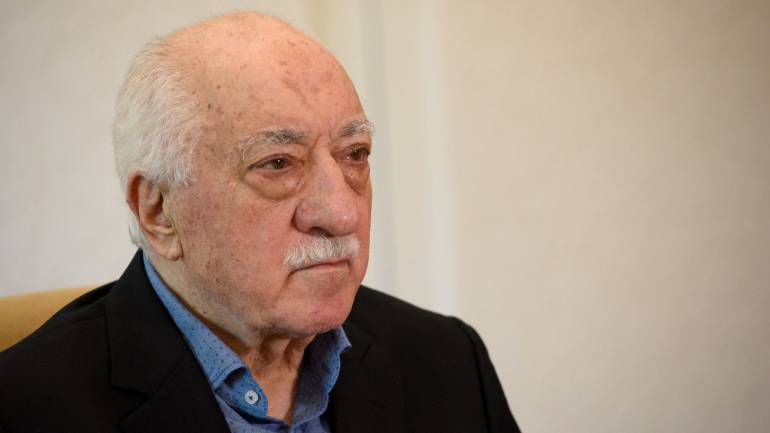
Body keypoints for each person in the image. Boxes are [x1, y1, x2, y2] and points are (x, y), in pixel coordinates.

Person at [0, 12, 519, 433]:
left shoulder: (446, 360)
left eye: (355, 154)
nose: (342, 213)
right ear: (158, 212)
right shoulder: (26, 408)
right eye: (277, 163)